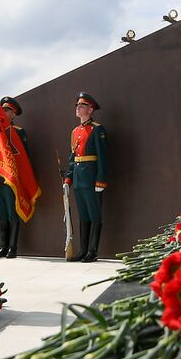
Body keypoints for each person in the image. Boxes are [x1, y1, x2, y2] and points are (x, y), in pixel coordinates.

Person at [65, 92, 108, 262]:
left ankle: (93, 251)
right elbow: (72, 157)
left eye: (82, 106)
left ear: (90, 110)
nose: (78, 108)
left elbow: (103, 157)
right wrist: (69, 178)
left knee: (94, 214)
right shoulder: (75, 132)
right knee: (83, 214)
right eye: (77, 105)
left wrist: (101, 179)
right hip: (78, 178)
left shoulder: (98, 130)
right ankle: (83, 250)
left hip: (91, 178)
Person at [0, 96, 29, 259]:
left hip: (10, 177)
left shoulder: (19, 132)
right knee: (2, 213)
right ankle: (3, 246)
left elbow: (25, 159)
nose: (3, 112)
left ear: (14, 114)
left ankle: (13, 247)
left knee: (12, 212)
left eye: (7, 110)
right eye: (2, 109)